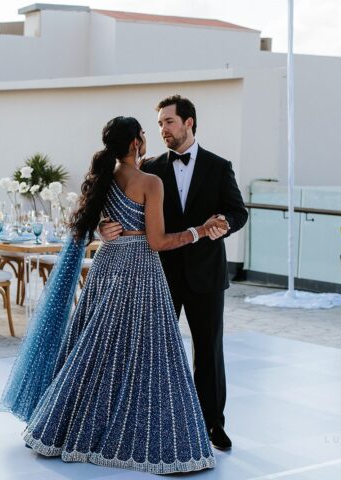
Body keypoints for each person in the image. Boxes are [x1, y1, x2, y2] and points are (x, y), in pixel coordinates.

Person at [0, 116, 229, 474]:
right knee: (144, 352)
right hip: (139, 269)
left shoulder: (102, 176)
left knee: (95, 347)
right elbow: (158, 242)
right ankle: (131, 431)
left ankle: (68, 426)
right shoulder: (150, 182)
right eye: (144, 133)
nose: (149, 137)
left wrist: (100, 229)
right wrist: (200, 231)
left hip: (106, 266)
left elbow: (88, 220)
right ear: (136, 142)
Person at [100, 96, 248, 450]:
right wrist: (102, 227)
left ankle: (212, 425)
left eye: (168, 122)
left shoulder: (219, 166)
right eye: (159, 124)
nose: (163, 129)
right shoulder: (149, 167)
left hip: (205, 274)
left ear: (188, 122)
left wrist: (224, 222)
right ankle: (150, 424)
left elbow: (238, 211)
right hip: (158, 274)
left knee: (208, 352)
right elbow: (122, 211)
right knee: (151, 351)